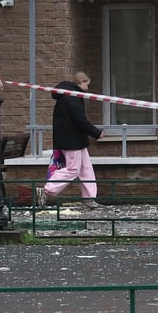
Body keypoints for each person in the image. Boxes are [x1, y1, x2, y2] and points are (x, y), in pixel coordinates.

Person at [38, 71, 104, 209]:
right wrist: (97, 133)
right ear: (81, 82)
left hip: (74, 140)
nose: (88, 88)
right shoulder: (72, 97)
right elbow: (80, 120)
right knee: (73, 169)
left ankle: (89, 198)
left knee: (86, 169)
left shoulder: (68, 94)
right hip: (71, 141)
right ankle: (47, 189)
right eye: (87, 84)